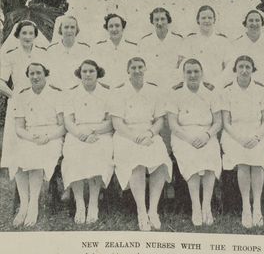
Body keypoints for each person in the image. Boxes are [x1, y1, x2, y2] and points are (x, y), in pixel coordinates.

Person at [110, 57, 172, 231]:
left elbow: (160, 120)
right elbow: (117, 123)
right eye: (133, 68)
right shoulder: (119, 92)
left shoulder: (154, 91)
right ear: (127, 71)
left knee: (160, 162)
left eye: (140, 67)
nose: (137, 71)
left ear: (145, 69)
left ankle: (153, 210)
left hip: (149, 134)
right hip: (126, 136)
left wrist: (149, 133)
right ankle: (141, 211)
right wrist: (135, 137)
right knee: (136, 163)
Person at [167, 58, 222, 226]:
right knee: (191, 158)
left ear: (202, 73)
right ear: (183, 74)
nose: (192, 75)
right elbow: (173, 124)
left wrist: (206, 135)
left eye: (196, 71)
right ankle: (195, 206)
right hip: (183, 136)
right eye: (189, 72)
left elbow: (218, 122)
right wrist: (189, 138)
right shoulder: (175, 93)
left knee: (211, 157)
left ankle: (206, 205)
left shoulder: (211, 92)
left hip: (206, 134)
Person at [11, 62, 65, 227]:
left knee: (35, 160)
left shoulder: (56, 94)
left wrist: (47, 137)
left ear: (45, 74)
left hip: (52, 137)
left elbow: (63, 126)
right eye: (31, 74)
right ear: (28, 76)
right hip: (30, 136)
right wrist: (31, 137)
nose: (35, 77)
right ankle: (24, 205)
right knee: (18, 159)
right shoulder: (22, 96)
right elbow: (19, 128)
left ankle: (33, 204)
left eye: (38, 73)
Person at [221, 55, 264, 228]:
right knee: (243, 162)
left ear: (252, 70)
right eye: (240, 66)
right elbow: (226, 122)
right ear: (235, 69)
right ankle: (245, 207)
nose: (244, 70)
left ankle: (257, 206)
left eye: (247, 67)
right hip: (234, 134)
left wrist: (257, 137)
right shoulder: (227, 90)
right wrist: (240, 138)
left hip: (257, 133)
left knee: (257, 162)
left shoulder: (261, 90)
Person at [61, 60, 114, 224]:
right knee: (72, 155)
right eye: (84, 71)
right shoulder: (71, 93)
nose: (88, 74)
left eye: (92, 71)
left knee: (99, 154)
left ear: (98, 73)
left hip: (100, 133)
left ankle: (93, 203)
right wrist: (79, 134)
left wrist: (93, 131)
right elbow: (68, 121)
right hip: (77, 134)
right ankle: (80, 203)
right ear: (79, 73)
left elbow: (110, 122)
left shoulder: (107, 93)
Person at [0, 21, 48, 174]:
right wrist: (14, 96)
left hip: (40, 98)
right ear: (18, 35)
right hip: (18, 100)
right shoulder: (10, 54)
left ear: (35, 35)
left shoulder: (43, 53)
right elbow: (1, 81)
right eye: (24, 33)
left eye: (30, 33)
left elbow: (50, 77)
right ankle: (18, 182)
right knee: (17, 142)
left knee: (38, 139)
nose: (27, 37)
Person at [220, 9, 264, 90]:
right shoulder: (236, 43)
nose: (254, 23)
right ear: (245, 23)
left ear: (262, 23)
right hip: (244, 87)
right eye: (251, 20)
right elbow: (229, 69)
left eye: (257, 20)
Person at [183, 5, 232, 86]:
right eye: (203, 18)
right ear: (198, 20)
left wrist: (218, 83)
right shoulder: (189, 41)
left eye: (210, 18)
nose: (207, 21)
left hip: (216, 86)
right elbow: (183, 66)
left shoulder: (223, 41)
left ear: (214, 20)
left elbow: (230, 66)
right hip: (195, 86)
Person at [138, 7, 184, 89]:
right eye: (156, 19)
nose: (159, 23)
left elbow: (181, 66)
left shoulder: (178, 40)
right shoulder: (145, 41)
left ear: (168, 20)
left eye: (162, 19)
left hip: (174, 85)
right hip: (152, 85)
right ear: (152, 22)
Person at [91, 13, 138, 88]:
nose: (114, 29)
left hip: (126, 88)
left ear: (123, 28)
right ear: (107, 29)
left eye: (117, 25)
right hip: (104, 89)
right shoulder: (98, 48)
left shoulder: (133, 48)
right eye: (111, 26)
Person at [47, 15, 91, 90]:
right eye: (66, 27)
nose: (69, 30)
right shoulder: (51, 50)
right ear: (61, 29)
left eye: (72, 27)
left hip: (78, 92)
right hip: (56, 91)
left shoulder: (85, 49)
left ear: (77, 30)